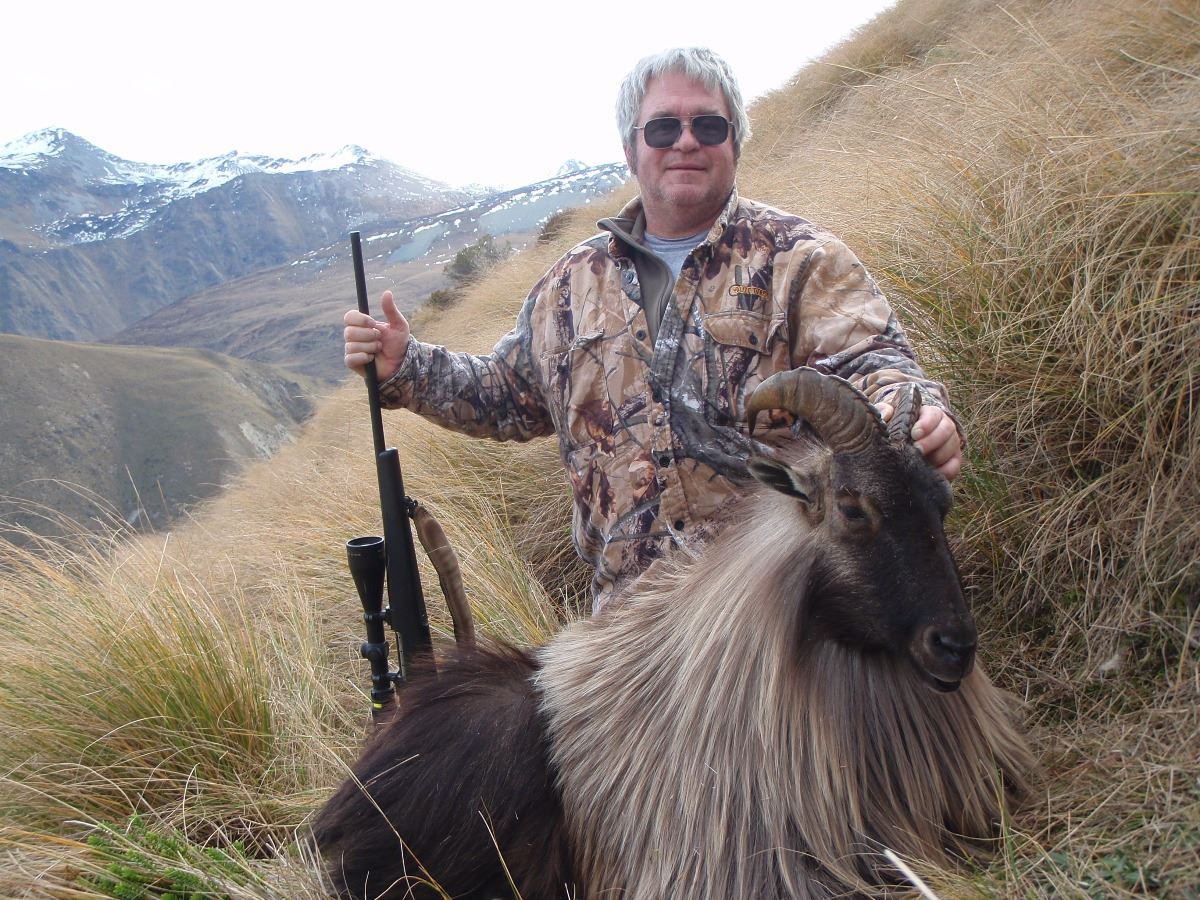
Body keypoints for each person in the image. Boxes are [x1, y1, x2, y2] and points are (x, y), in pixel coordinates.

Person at [344, 47, 963, 612]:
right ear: (630, 148)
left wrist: (916, 417)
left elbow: (876, 365)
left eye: (708, 125)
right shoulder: (568, 286)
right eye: (663, 127)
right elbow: (507, 394)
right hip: (628, 634)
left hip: (776, 622)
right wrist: (407, 366)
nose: (686, 141)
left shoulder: (803, 261)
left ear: (735, 142)